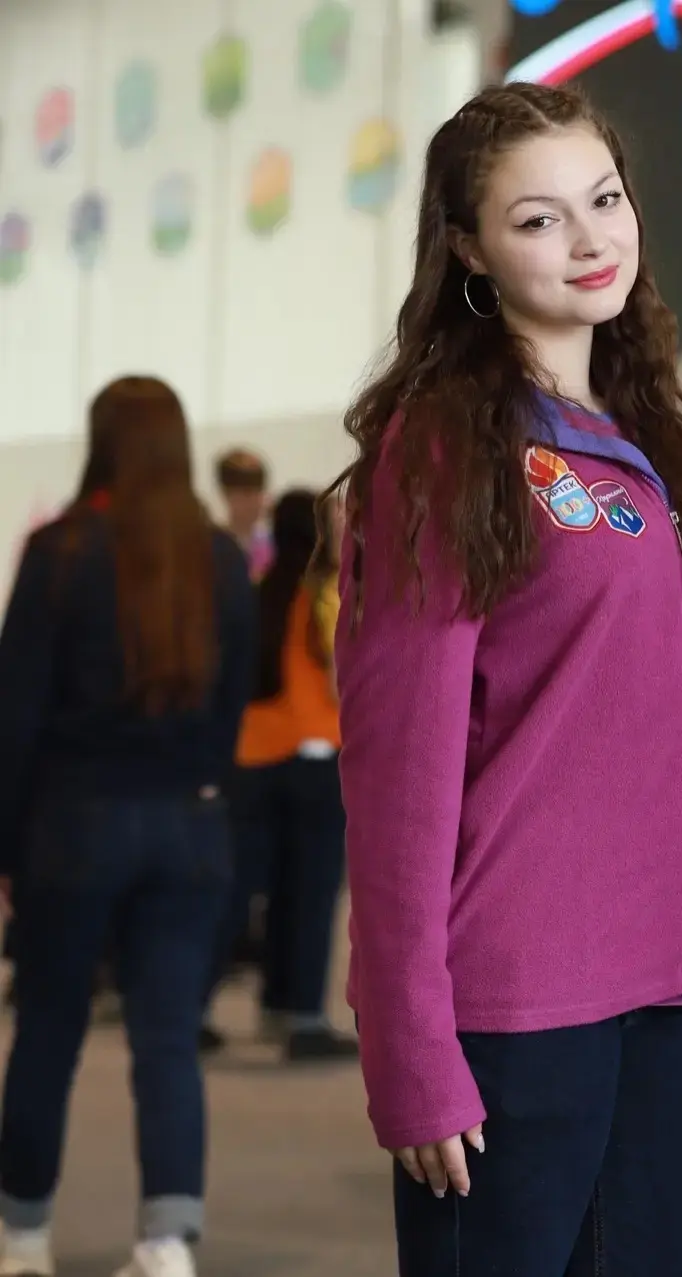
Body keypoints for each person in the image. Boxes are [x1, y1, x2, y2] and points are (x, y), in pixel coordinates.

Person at [332, 81, 682, 1277]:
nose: (588, 239)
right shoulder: (444, 444)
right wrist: (410, 1043)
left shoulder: (662, 443)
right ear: (469, 248)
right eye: (538, 219)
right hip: (518, 1012)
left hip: (677, 1006)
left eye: (604, 200)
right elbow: (398, 767)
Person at [0, 376, 256, 1277]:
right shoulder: (219, 557)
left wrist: (5, 847)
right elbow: (233, 706)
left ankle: (24, 1237)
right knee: (168, 1041)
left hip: (73, 825)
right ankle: (167, 1242)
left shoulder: (59, 551)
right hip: (190, 826)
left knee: (48, 1031)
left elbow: (15, 717)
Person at [207, 488, 358, 1062]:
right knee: (309, 893)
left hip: (252, 758)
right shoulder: (326, 592)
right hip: (314, 758)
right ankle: (301, 1017)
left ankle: (197, 1007)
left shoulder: (258, 592)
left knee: (242, 890)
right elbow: (340, 682)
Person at [213, 450, 273, 580]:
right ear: (226, 493)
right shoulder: (215, 547)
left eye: (259, 491)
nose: (256, 500)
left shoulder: (273, 544)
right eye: (247, 492)